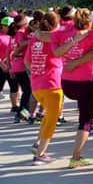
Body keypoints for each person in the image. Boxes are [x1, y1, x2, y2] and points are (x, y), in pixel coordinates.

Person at [37, 9, 93, 168]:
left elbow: (41, 36)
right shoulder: (92, 34)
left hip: (67, 84)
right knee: (85, 121)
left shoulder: (63, 33)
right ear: (89, 22)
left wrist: (36, 31)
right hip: (85, 83)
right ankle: (76, 157)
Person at [25, 11, 63, 165]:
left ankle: (37, 144)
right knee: (51, 121)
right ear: (55, 24)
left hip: (36, 85)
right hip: (52, 84)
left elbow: (27, 62)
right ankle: (40, 154)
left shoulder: (34, 39)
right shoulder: (56, 38)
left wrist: (36, 72)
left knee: (47, 117)